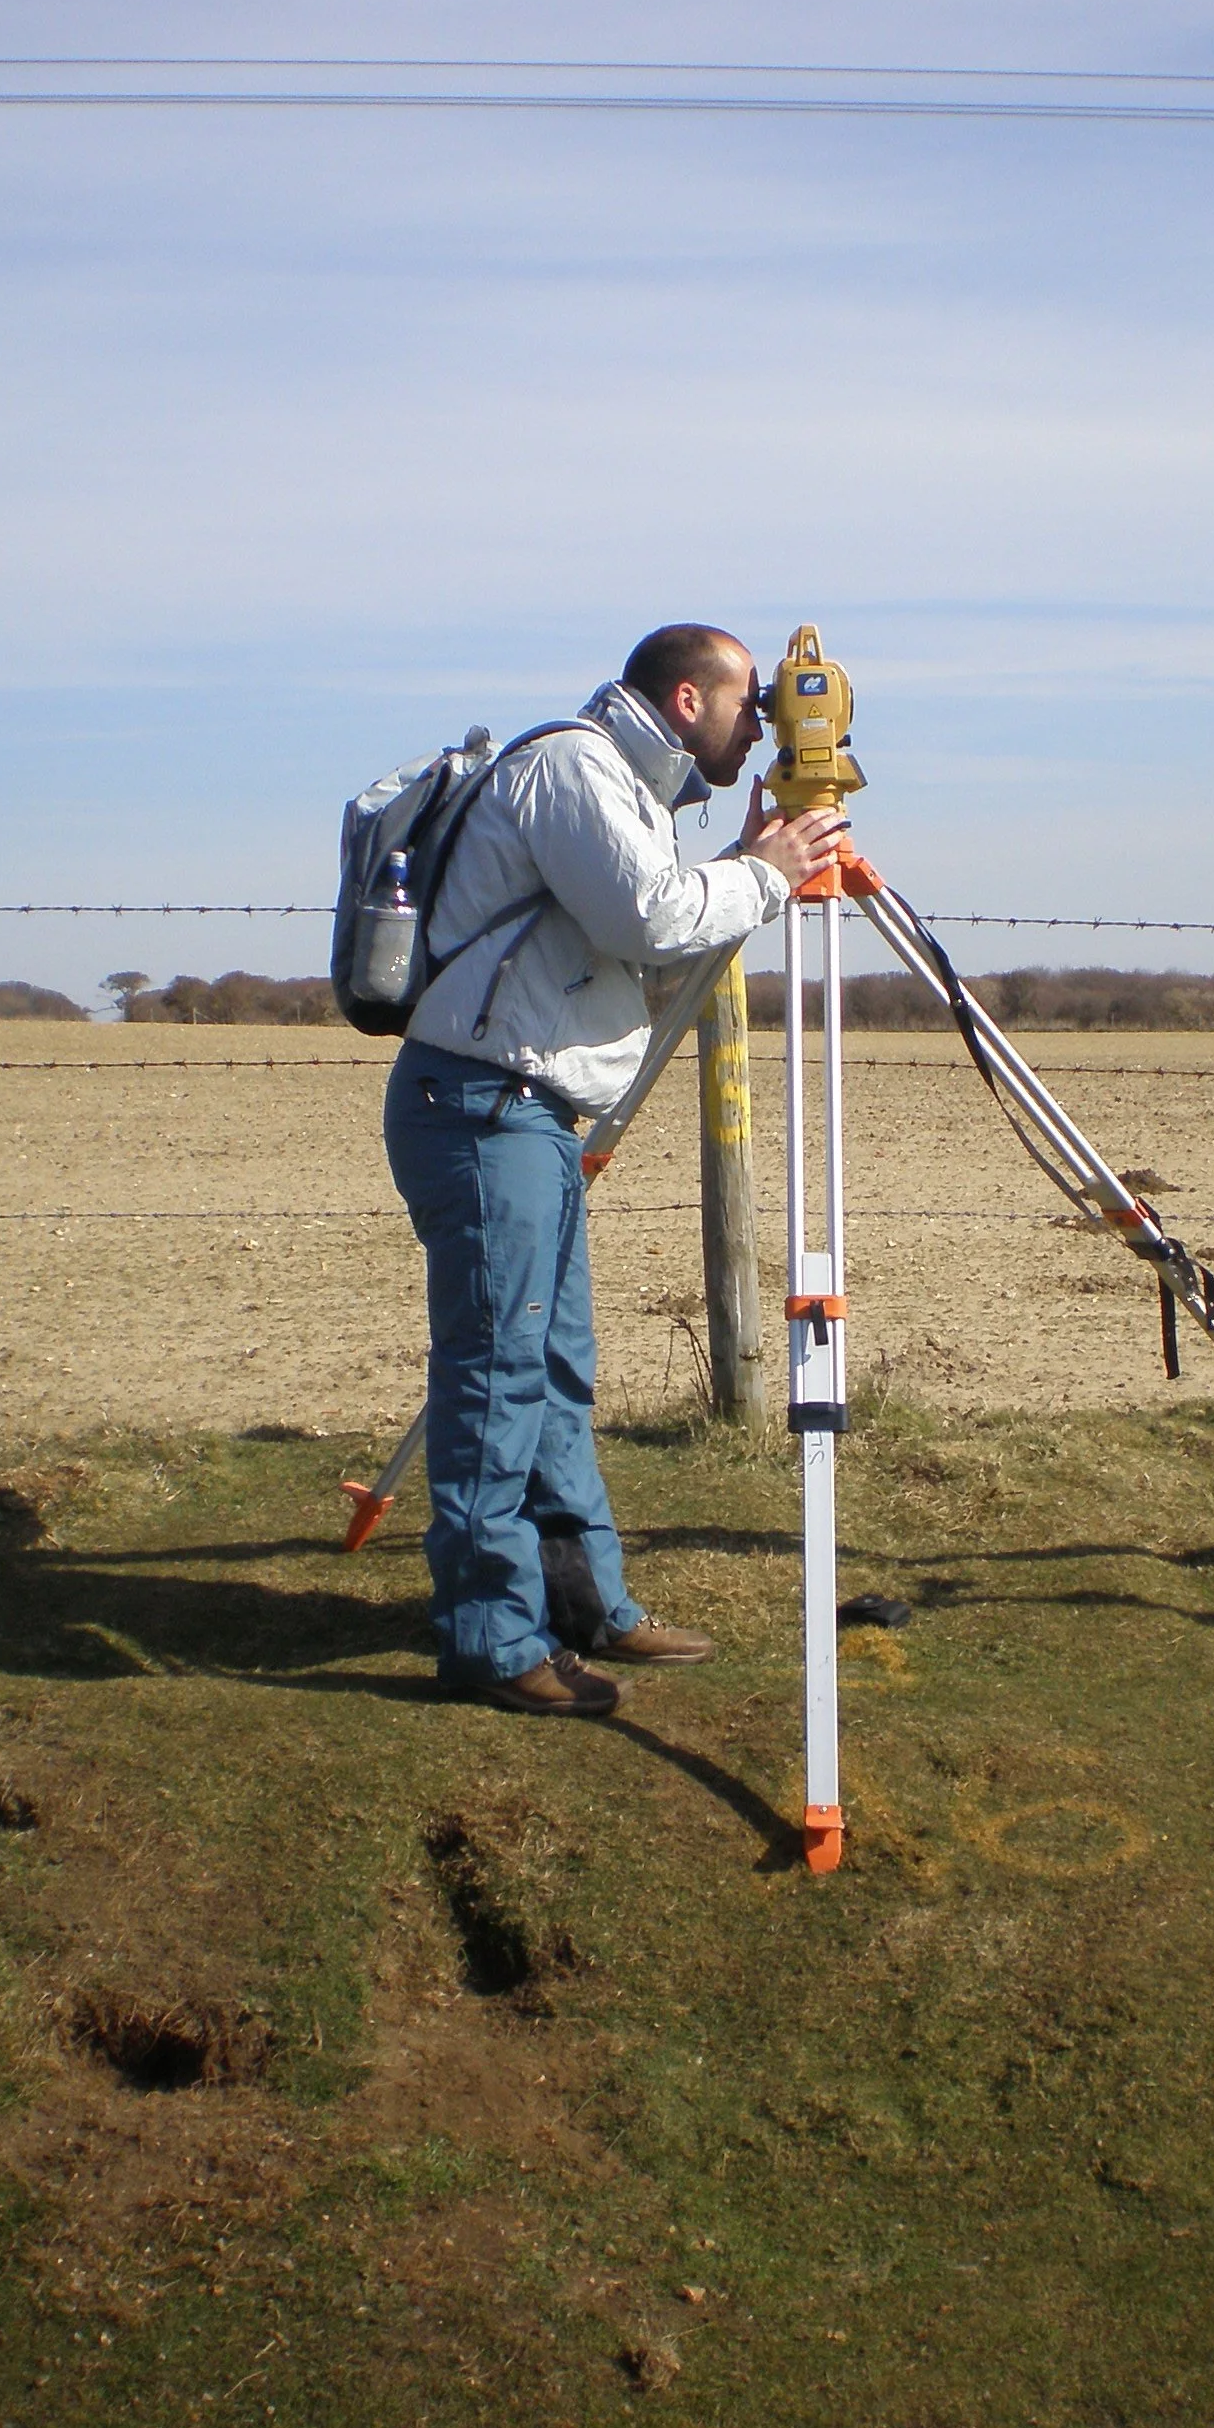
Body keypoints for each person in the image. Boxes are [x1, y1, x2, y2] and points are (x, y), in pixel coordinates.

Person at [382, 626, 845, 1716]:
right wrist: (764, 875)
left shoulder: (631, 794)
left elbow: (657, 930)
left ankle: (585, 1606)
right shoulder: (575, 769)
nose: (765, 724)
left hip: (531, 1112)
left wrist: (745, 861)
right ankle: (492, 1641)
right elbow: (651, 914)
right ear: (687, 699)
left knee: (556, 1374)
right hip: (486, 1106)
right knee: (498, 1380)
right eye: (752, 706)